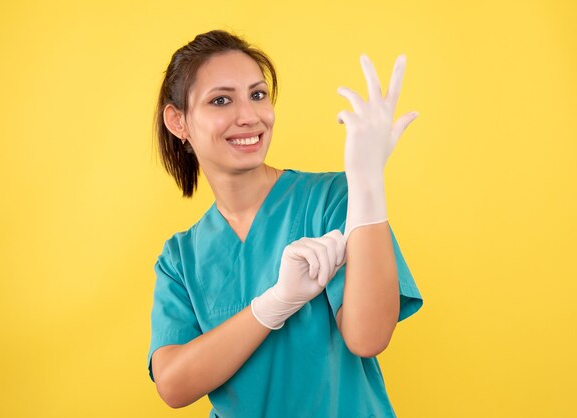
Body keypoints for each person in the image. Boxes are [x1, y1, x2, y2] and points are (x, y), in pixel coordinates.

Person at [147, 29, 423, 417]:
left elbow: (369, 336)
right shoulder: (181, 258)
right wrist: (274, 305)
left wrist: (368, 184)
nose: (249, 116)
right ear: (179, 122)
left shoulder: (334, 199)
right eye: (221, 100)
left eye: (258, 94)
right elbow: (173, 384)